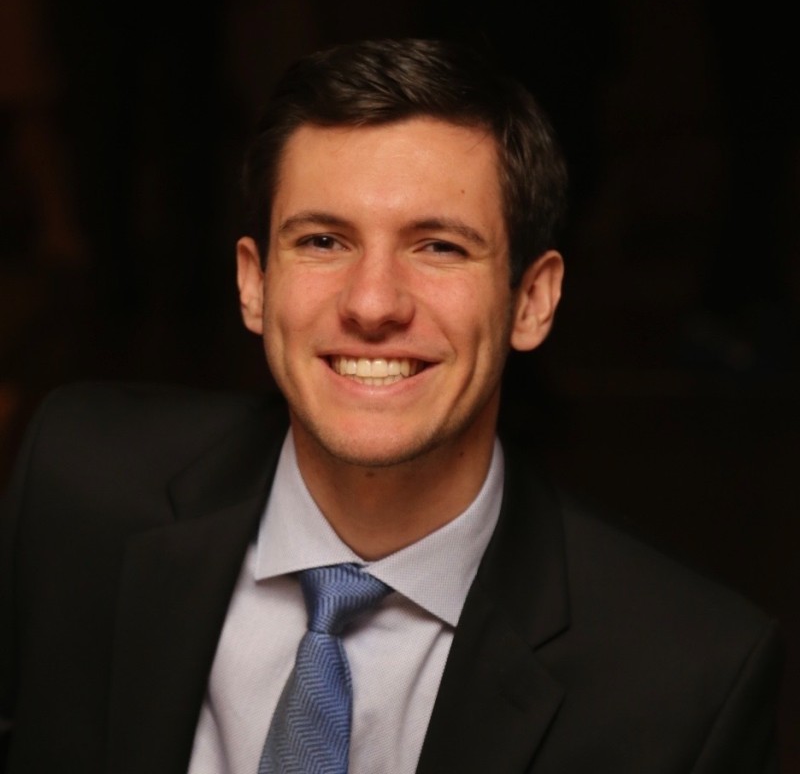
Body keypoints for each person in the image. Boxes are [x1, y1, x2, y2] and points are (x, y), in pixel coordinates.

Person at [0, 38, 782, 774]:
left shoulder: (686, 679)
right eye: (323, 241)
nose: (372, 304)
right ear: (254, 283)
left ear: (533, 301)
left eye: (439, 246)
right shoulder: (77, 488)